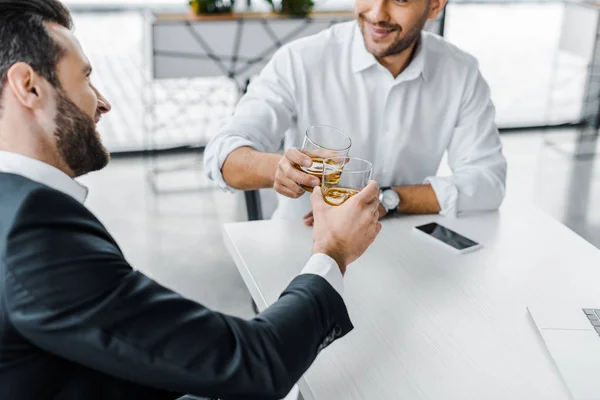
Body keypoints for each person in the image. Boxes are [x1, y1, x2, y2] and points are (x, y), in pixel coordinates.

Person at [0, 1, 382, 399]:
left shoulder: (17, 209)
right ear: (29, 86)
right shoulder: (33, 234)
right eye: (86, 78)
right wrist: (333, 249)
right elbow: (252, 363)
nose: (104, 102)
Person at [204, 0, 507, 222]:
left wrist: (390, 198)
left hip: (403, 249)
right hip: (303, 247)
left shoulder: (461, 72)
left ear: (435, 7)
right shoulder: (301, 60)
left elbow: (488, 181)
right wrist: (277, 168)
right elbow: (222, 153)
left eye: (400, 0)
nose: (377, 13)